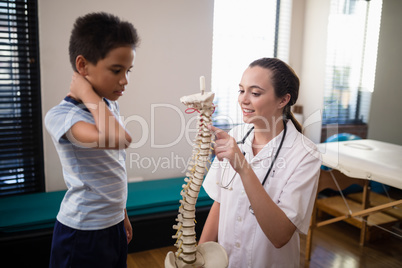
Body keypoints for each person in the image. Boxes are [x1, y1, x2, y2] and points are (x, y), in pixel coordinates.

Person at [199, 58, 321, 267]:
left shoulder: (305, 154)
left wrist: (244, 168)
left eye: (255, 93)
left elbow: (280, 235)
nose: (243, 100)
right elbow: (219, 203)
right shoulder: (235, 136)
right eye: (241, 90)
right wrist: (199, 258)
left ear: (283, 100)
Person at [45, 12, 139, 268]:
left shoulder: (106, 107)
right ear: (83, 65)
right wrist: (85, 90)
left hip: (112, 225)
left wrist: (122, 214)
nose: (124, 80)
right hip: (83, 233)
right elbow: (119, 139)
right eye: (116, 70)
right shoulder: (61, 116)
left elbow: (113, 166)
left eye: (128, 70)